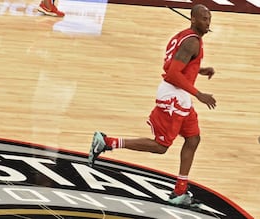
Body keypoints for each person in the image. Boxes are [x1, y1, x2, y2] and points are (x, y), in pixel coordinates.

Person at [88, 4, 216, 207]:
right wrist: (199, 94)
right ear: (193, 19)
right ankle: (107, 142)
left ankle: (180, 191)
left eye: (209, 18)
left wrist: (198, 69)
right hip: (173, 97)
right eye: (204, 18)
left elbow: (178, 63)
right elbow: (173, 73)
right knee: (161, 146)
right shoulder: (192, 42)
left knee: (193, 139)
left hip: (179, 95)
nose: (208, 22)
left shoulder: (186, 37)